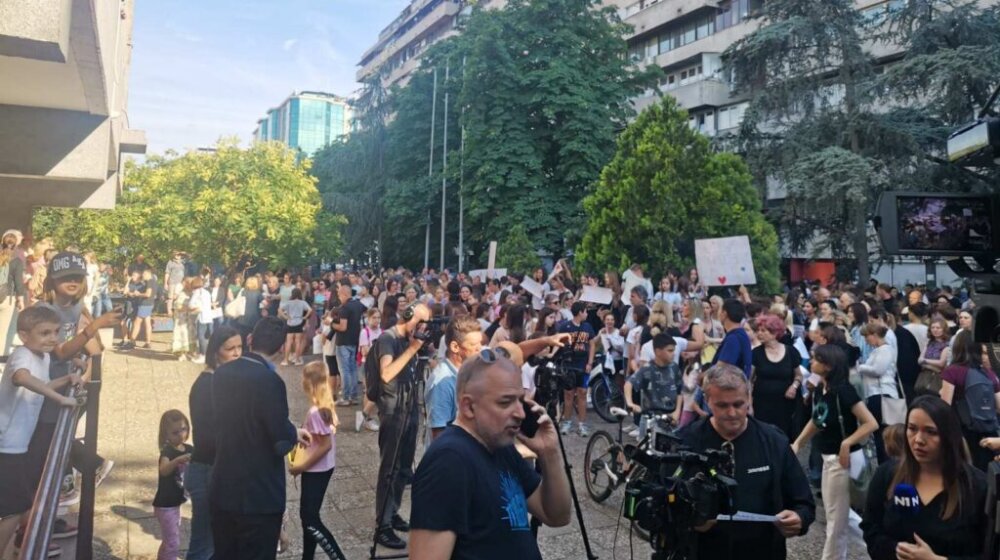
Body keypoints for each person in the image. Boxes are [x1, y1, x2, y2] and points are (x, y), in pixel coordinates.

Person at [409, 348, 572, 559]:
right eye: (505, 402)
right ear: (468, 407)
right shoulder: (448, 462)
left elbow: (556, 515)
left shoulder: (501, 446)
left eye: (520, 400)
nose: (520, 413)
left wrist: (549, 453)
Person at [677, 363, 815, 560]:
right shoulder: (686, 442)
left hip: (763, 550)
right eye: (722, 405)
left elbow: (804, 502)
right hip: (701, 551)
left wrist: (799, 519)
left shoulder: (774, 442)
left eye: (739, 404)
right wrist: (688, 521)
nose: (732, 413)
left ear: (750, 398)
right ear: (707, 401)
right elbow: (662, 504)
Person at [209, 317, 311, 560]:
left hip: (224, 485)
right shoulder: (270, 381)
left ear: (250, 340)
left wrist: (290, 430)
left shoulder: (221, 374)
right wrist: (291, 435)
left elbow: (240, 419)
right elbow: (278, 439)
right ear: (281, 348)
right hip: (258, 495)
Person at [861, 396, 988, 560]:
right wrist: (897, 551)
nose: (918, 440)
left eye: (931, 432)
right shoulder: (886, 474)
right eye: (912, 429)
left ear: (949, 436)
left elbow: (990, 553)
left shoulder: (977, 487)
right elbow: (871, 529)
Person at [0, 306, 80, 557]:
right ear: (24, 336)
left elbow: (41, 385)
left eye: (56, 332)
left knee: (21, 503)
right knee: (15, 508)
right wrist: (59, 398)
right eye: (44, 333)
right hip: (6, 443)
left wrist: (65, 380)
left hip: (19, 444)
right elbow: (22, 378)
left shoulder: (43, 357)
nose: (53, 338)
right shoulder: (22, 354)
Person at [791, 345, 878, 560]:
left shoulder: (844, 391)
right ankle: (878, 545)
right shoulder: (822, 387)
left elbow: (870, 423)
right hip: (830, 458)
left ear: (828, 366)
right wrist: (798, 444)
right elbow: (817, 420)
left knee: (835, 521)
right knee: (839, 514)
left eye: (816, 359)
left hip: (844, 461)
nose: (811, 362)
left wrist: (847, 443)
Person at [374, 302, 432, 549]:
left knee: (404, 468)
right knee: (389, 468)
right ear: (408, 317)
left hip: (409, 408)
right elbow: (386, 374)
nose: (422, 329)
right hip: (392, 410)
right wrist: (412, 349)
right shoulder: (387, 339)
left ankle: (392, 512)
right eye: (420, 323)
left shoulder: (410, 340)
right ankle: (382, 526)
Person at [186, 326, 242, 560]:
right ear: (216, 351)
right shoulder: (207, 385)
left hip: (217, 468)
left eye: (240, 347)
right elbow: (207, 437)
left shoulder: (223, 380)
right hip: (208, 470)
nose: (237, 353)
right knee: (203, 544)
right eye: (231, 349)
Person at [290, 362, 346, 560]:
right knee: (309, 517)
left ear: (309, 383)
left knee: (310, 519)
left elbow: (325, 445)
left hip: (315, 470)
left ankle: (338, 556)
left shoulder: (315, 412)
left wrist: (300, 467)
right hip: (323, 468)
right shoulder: (325, 405)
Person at [939, 330, 1000, 471]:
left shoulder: (952, 371)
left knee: (964, 472)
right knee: (987, 473)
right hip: (989, 431)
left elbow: (944, 407)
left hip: (963, 432)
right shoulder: (989, 374)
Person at [426, 315, 482, 441]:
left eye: (480, 343)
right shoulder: (442, 383)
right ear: (455, 347)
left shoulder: (469, 372)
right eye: (474, 344)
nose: (480, 349)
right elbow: (439, 436)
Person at [751, 314, 803, 439]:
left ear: (775, 333)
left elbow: (799, 376)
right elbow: (749, 380)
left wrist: (794, 386)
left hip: (785, 405)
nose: (759, 333)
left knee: (783, 436)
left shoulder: (791, 352)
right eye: (758, 330)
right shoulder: (756, 353)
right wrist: (749, 403)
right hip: (762, 404)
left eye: (763, 330)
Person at [624, 334, 682, 439]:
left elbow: (680, 391)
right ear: (658, 351)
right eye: (669, 351)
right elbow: (629, 384)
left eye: (674, 350)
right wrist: (630, 403)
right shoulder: (647, 369)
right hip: (650, 419)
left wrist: (677, 412)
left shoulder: (674, 368)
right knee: (646, 452)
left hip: (670, 418)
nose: (673, 354)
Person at [858, 323, 901, 462]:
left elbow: (878, 370)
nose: (865, 340)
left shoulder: (885, 349)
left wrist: (860, 367)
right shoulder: (878, 350)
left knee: (883, 433)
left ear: (875, 335)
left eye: (867, 336)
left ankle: (887, 463)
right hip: (877, 394)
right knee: (880, 434)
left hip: (883, 394)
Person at [155, 410, 193, 560]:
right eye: (175, 432)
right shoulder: (168, 452)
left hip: (175, 503)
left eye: (183, 429)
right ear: (166, 435)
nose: (181, 435)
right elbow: (163, 470)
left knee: (170, 540)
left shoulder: (189, 449)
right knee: (173, 542)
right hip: (165, 505)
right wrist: (177, 461)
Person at [557, 302, 596, 437]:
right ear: (580, 312)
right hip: (569, 365)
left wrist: (590, 363)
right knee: (568, 394)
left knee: (583, 393)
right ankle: (567, 422)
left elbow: (592, 345)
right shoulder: (565, 327)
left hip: (583, 364)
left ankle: (582, 424)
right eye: (585, 311)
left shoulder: (587, 327)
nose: (586, 314)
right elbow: (559, 344)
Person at [332, 280, 366, 405]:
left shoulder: (344, 308)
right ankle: (354, 396)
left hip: (343, 342)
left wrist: (331, 323)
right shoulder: (358, 304)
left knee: (345, 370)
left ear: (344, 294)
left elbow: (342, 327)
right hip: (355, 340)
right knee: (353, 369)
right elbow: (367, 311)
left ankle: (346, 397)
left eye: (340, 296)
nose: (339, 298)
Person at [0, 230, 26, 357]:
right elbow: (18, 283)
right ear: (15, 245)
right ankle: (1, 355)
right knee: (3, 331)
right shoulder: (17, 261)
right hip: (7, 298)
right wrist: (20, 301)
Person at [712, 299, 753, 378]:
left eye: (720, 312)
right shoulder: (740, 334)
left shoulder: (733, 338)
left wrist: (702, 376)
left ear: (724, 314)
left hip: (730, 387)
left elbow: (721, 367)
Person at [358, 307, 383, 432]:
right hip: (368, 365)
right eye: (374, 318)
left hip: (379, 365)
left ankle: (367, 416)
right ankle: (366, 418)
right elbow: (364, 351)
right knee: (369, 391)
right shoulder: (365, 332)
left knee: (376, 391)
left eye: (379, 318)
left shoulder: (382, 332)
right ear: (368, 319)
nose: (377, 320)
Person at [279, 288, 312, 366]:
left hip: (290, 323)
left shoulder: (288, 302)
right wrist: (305, 317)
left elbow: (279, 310)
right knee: (298, 342)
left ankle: (285, 360)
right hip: (299, 322)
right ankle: (297, 360)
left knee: (289, 342)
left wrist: (285, 317)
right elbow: (310, 310)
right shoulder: (302, 302)